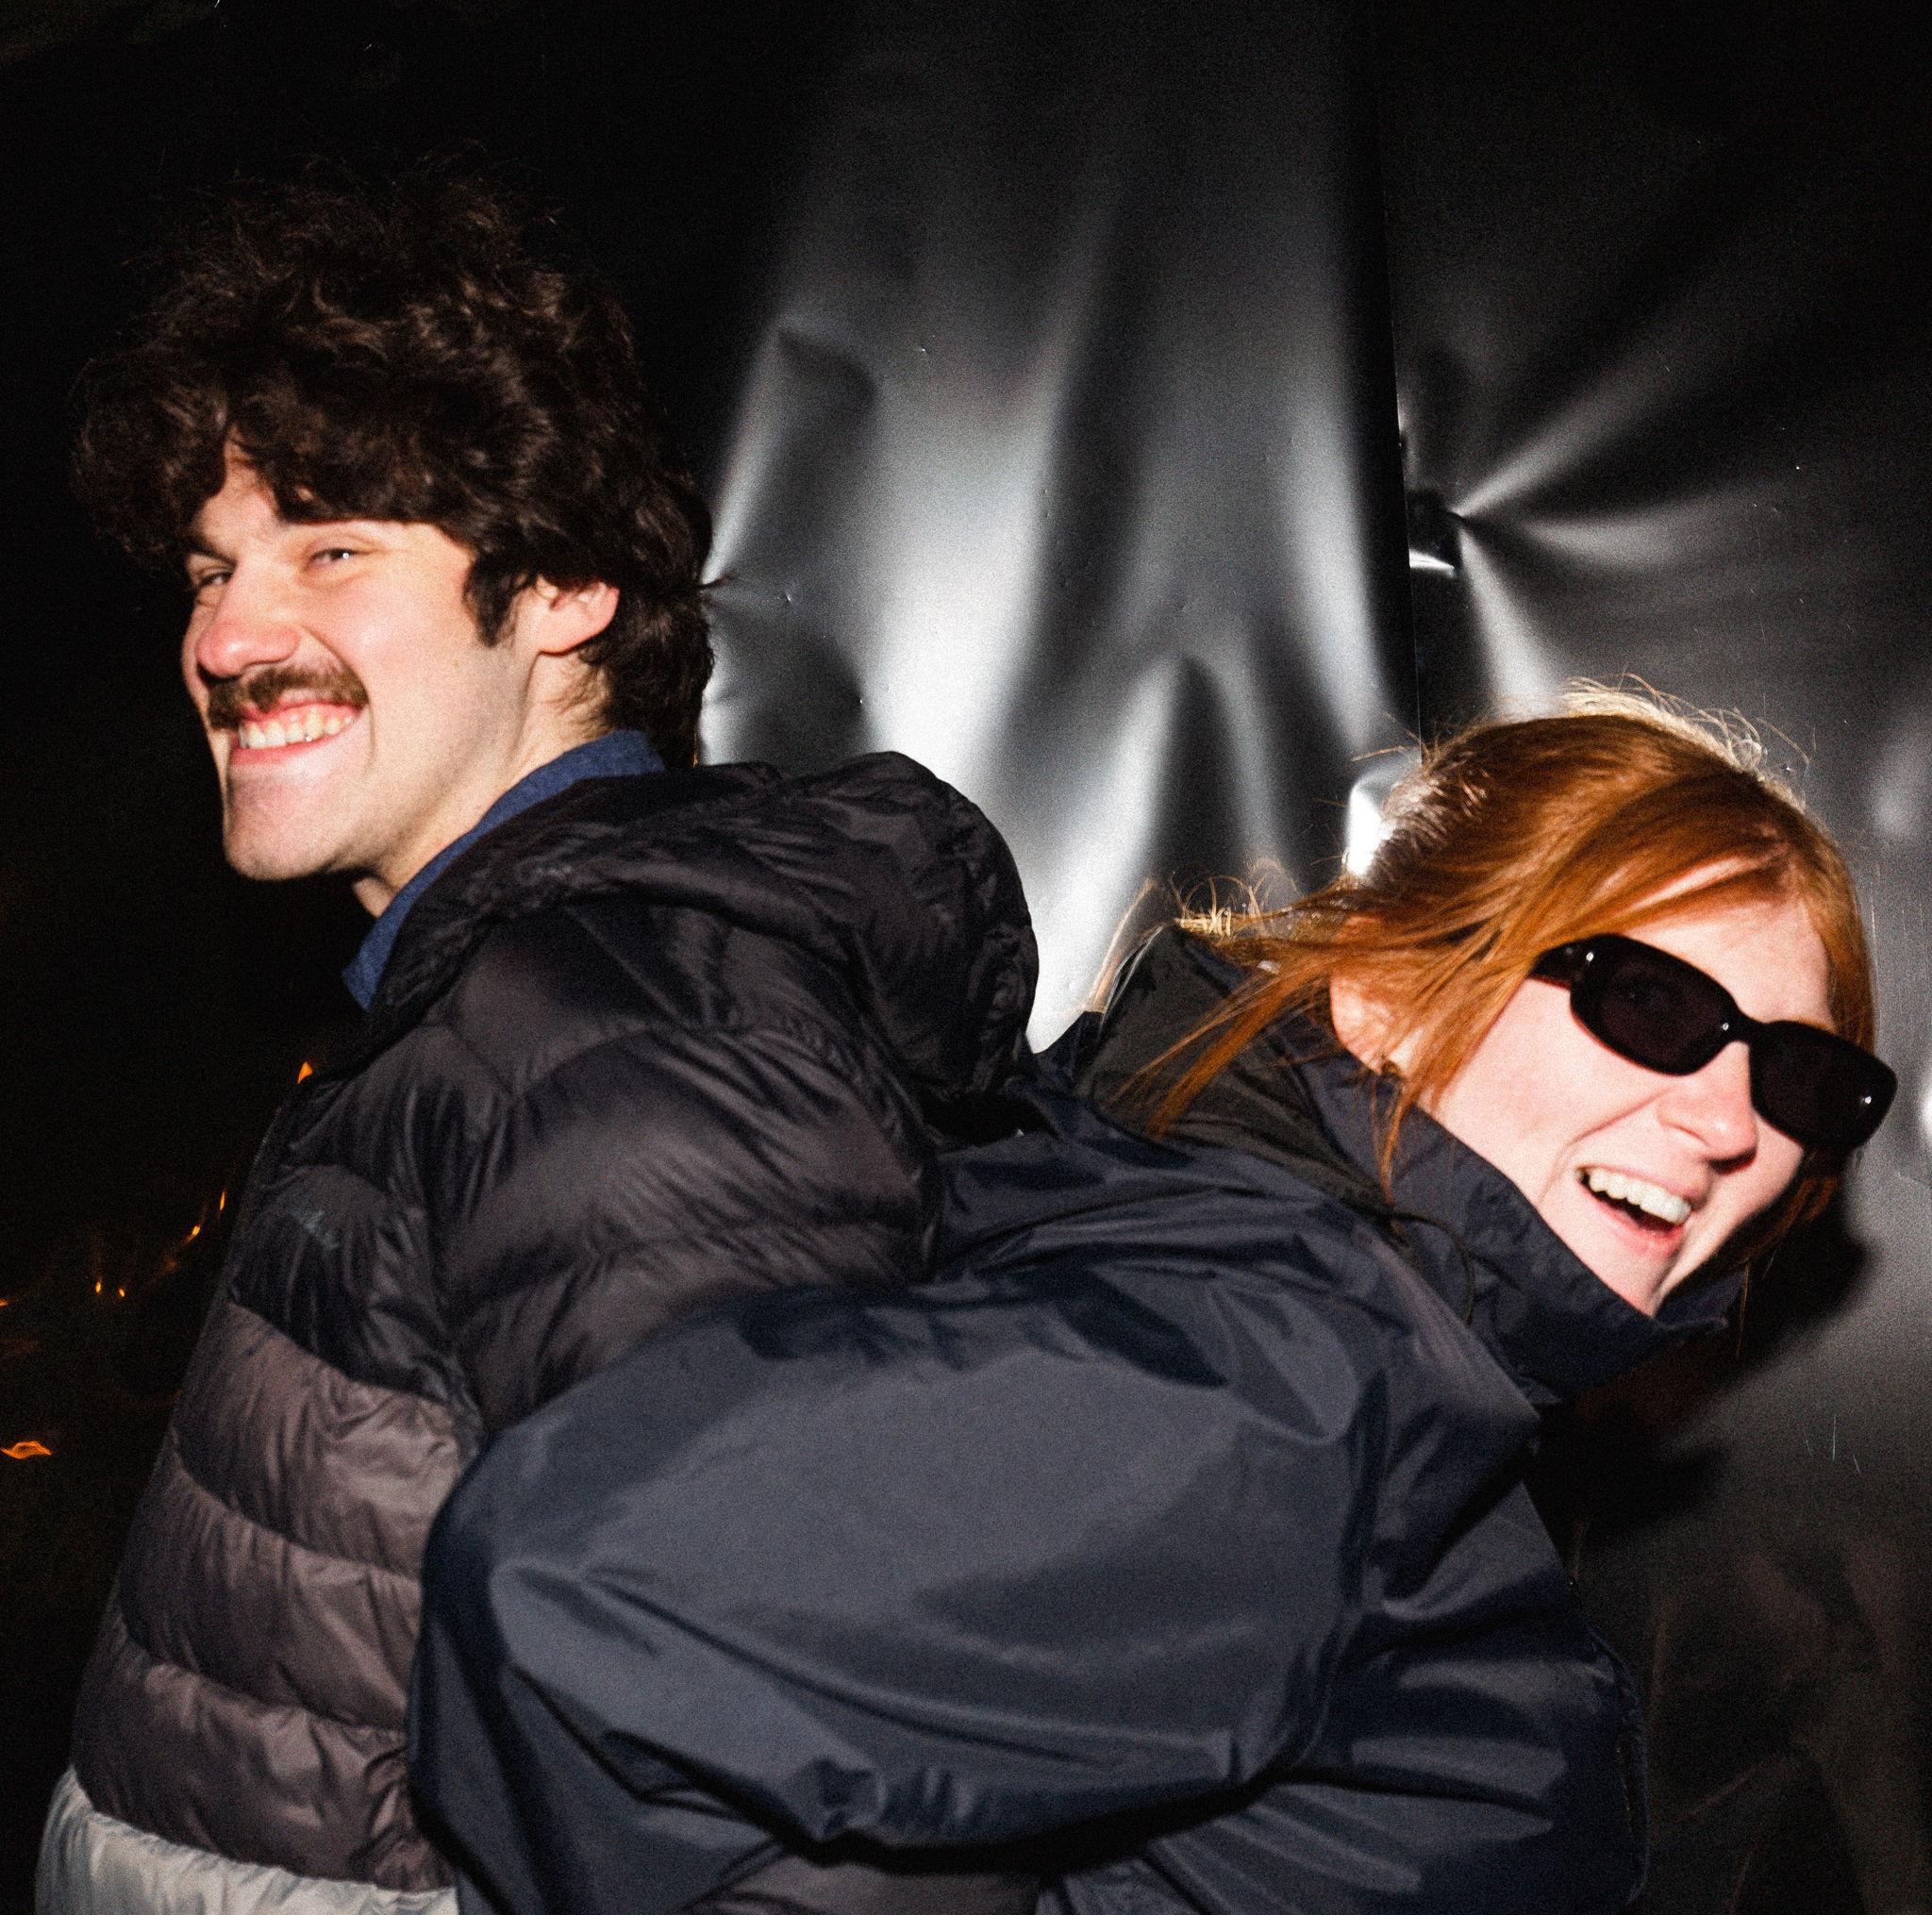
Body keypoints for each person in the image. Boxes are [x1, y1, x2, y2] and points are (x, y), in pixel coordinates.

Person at [409, 693, 1895, 1915]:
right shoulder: (1292, 1365)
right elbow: (587, 1584)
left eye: (1801, 1077)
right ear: (1384, 998)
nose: (1728, 1123)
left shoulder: (1324, 1320)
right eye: (1652, 1006)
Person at [36, 170, 1036, 1914]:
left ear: (566, 586)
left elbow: (802, 1815)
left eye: (332, 550)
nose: (226, 640)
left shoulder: (616, 1050)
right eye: (210, 571)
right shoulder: (495, 1005)